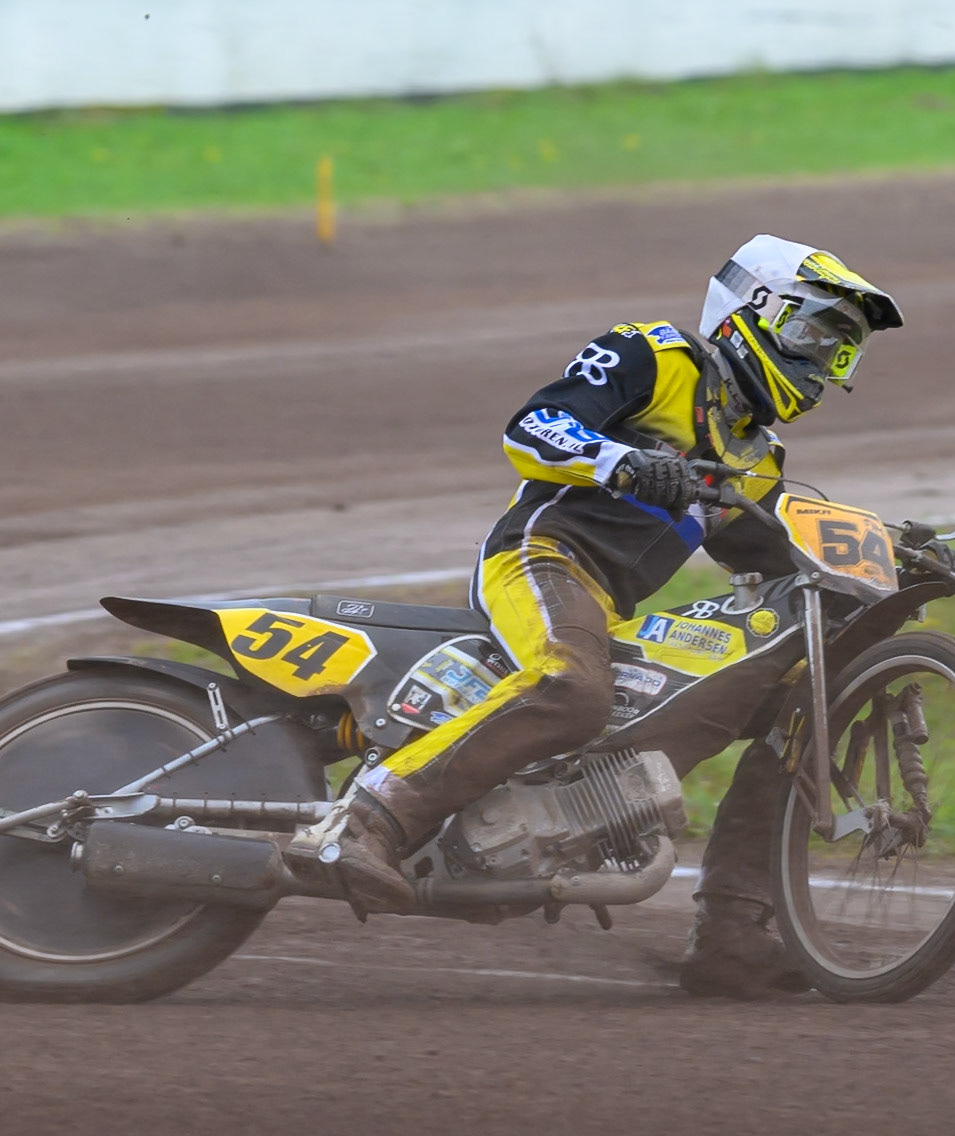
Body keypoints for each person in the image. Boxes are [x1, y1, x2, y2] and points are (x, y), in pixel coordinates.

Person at [330, 234, 911, 997]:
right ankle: (372, 819)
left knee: (799, 702)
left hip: (610, 608)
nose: (822, 365)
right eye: (813, 335)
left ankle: (733, 930)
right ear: (753, 310)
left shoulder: (757, 459)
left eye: (841, 353)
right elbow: (532, 426)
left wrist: (895, 558)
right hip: (541, 557)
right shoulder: (657, 356)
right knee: (574, 687)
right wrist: (621, 461)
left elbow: (780, 556)